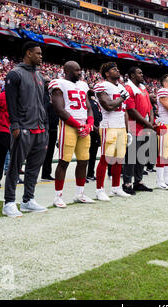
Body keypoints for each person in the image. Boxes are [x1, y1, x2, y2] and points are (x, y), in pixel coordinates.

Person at [3, 41, 48, 217]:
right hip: (23, 127)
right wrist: (15, 125)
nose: (41, 56)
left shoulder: (40, 75)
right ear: (28, 53)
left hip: (40, 128)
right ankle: (8, 202)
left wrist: (44, 125)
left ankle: (28, 200)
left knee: (34, 167)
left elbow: (43, 103)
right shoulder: (15, 74)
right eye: (38, 53)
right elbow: (11, 103)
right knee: (15, 167)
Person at [49, 61, 95, 208]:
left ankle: (79, 194)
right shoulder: (58, 83)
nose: (80, 73)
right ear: (67, 71)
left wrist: (89, 124)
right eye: (76, 70)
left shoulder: (83, 85)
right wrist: (78, 124)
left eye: (80, 70)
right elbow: (58, 108)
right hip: (69, 126)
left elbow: (88, 107)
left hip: (83, 126)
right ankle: (58, 196)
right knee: (64, 161)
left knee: (83, 160)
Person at [93, 62, 131, 201]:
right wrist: (122, 98)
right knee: (106, 158)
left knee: (119, 159)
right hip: (109, 125)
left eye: (117, 68)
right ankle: (99, 190)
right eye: (114, 69)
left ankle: (116, 187)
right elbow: (108, 106)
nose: (117, 70)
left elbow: (125, 111)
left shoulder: (121, 86)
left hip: (120, 126)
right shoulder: (102, 85)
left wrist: (127, 129)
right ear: (107, 73)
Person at [122, 67, 154, 195]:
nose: (142, 74)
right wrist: (147, 123)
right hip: (134, 124)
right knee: (131, 157)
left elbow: (150, 108)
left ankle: (138, 182)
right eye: (139, 72)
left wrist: (150, 122)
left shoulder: (143, 88)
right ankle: (127, 183)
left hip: (145, 126)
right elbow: (131, 110)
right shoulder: (129, 88)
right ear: (132, 75)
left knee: (142, 156)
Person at [41, 79, 59, 181]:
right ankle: (43, 173)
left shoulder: (51, 97)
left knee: (50, 152)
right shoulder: (43, 96)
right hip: (45, 128)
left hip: (52, 128)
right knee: (42, 152)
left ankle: (46, 173)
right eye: (47, 82)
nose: (48, 84)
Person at [86, 90, 102, 181]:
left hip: (91, 129)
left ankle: (89, 174)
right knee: (91, 154)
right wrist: (97, 127)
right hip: (93, 130)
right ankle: (90, 173)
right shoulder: (96, 104)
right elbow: (99, 116)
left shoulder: (93, 103)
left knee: (88, 154)